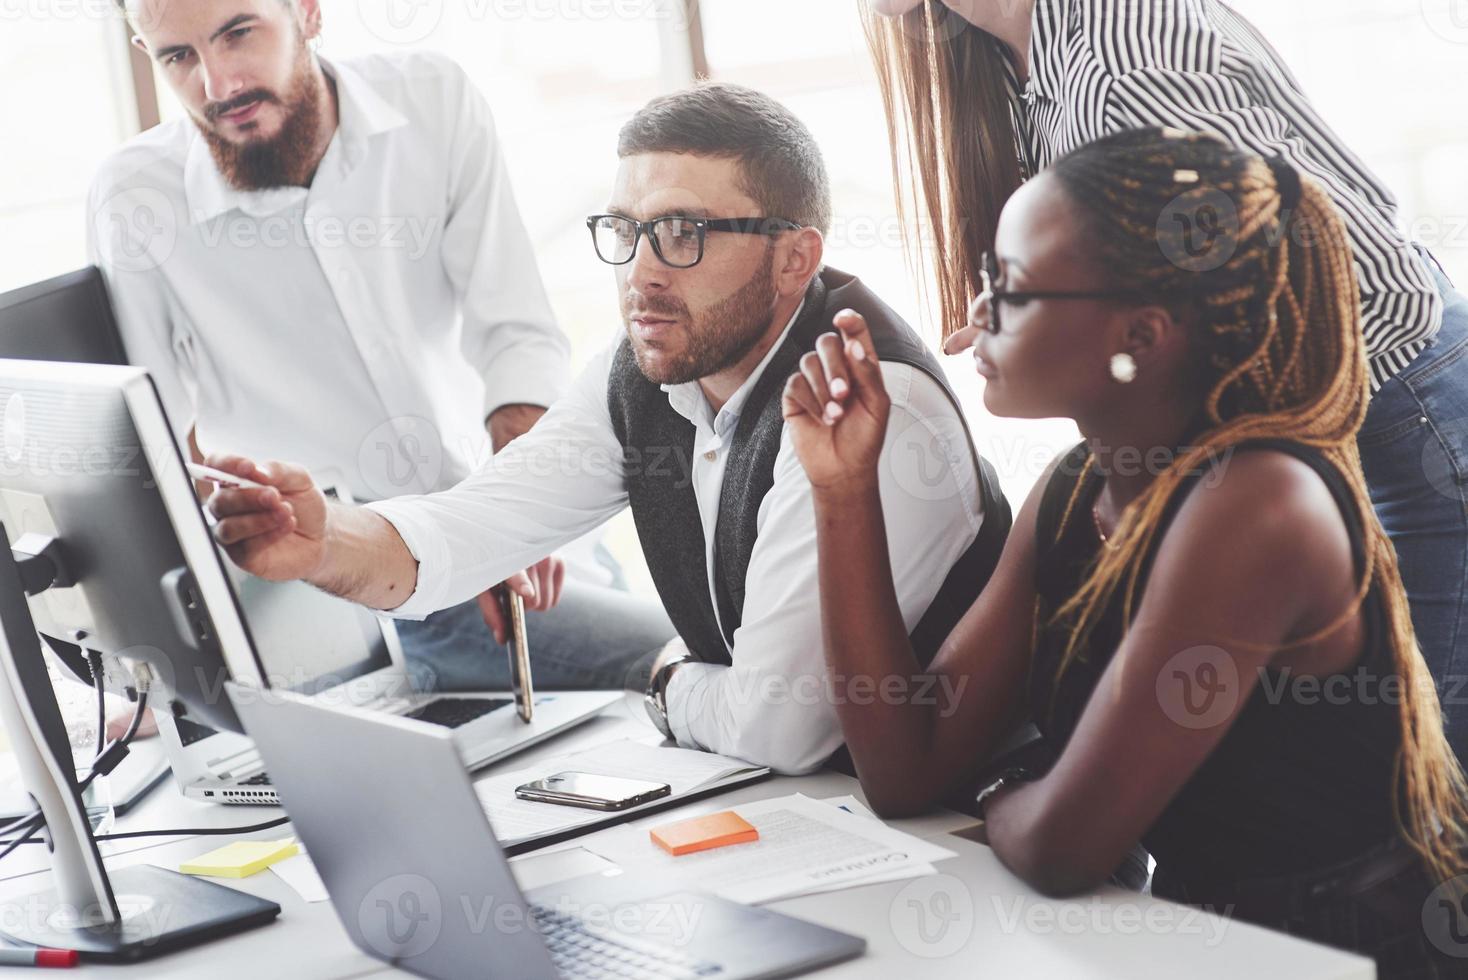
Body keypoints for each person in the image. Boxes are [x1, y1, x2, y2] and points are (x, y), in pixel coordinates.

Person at [783, 126, 1468, 975]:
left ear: (1141, 337)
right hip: (1195, 949)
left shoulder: (1257, 505)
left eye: (1015, 288)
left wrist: (1001, 792)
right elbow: (906, 768)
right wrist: (842, 490)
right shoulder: (1076, 491)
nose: (978, 312)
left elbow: (1062, 848)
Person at [198, 82, 1011, 774]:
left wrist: (662, 678)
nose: (643, 272)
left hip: (965, 845)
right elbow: (474, 526)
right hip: (808, 813)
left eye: (683, 233)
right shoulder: (651, 368)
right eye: (625, 232)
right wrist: (323, 542)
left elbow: (781, 729)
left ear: (795, 259)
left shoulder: (865, 407)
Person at [865, 0, 1468, 756]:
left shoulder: (1119, 69)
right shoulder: (1017, 61)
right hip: (1317, 423)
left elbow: (1262, 293)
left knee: (1425, 783)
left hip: (1399, 411)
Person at [89, 0, 674, 702]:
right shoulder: (135, 199)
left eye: (238, 34)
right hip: (351, 587)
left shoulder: (434, 101)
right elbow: (161, 453)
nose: (217, 86)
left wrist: (504, 529)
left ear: (307, 12)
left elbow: (515, 331)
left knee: (705, 659)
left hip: (522, 526)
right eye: (176, 57)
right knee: (687, 663)